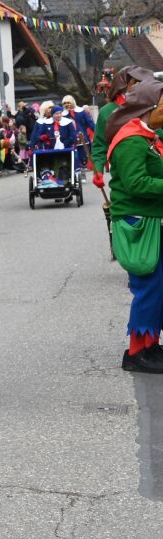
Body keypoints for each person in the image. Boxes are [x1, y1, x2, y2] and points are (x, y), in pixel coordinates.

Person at [103, 79, 163, 372]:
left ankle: (150, 345)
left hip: (149, 219)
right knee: (148, 287)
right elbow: (136, 183)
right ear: (149, 107)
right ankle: (136, 352)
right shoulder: (131, 140)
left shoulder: (147, 135)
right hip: (137, 221)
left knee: (157, 286)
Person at [91, 66, 160, 189]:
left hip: (155, 164)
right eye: (137, 83)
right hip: (125, 168)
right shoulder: (107, 112)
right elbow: (99, 145)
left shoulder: (151, 108)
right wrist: (98, 169)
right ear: (124, 84)